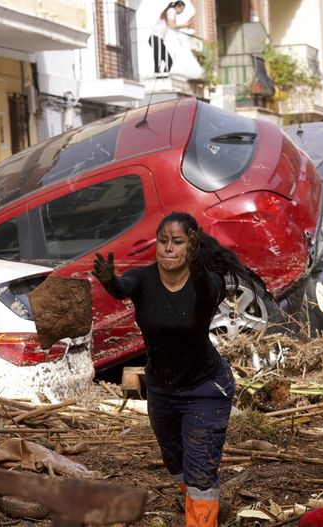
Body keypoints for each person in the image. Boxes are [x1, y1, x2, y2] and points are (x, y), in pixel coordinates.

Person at [91, 211, 260, 527]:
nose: (168, 248)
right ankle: (204, 503)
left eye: (177, 242)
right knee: (175, 463)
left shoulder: (208, 282)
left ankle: (201, 516)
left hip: (206, 389)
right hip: (162, 389)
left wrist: (196, 263)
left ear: (191, 247)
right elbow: (121, 287)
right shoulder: (144, 279)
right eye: (163, 241)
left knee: (199, 470)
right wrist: (109, 279)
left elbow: (207, 292)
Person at [150, 1, 189, 76]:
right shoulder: (172, 11)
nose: (181, 12)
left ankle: (161, 76)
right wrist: (184, 25)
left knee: (166, 61)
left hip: (157, 38)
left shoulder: (170, 10)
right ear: (178, 7)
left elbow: (171, 26)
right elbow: (171, 25)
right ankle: (160, 76)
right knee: (165, 61)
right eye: (181, 10)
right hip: (156, 37)